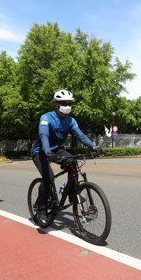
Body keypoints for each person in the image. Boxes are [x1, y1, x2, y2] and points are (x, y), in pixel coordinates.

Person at [30, 89, 100, 223]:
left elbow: (80, 135)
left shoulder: (71, 121)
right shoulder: (46, 118)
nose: (67, 106)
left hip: (57, 150)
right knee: (48, 178)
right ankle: (41, 208)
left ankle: (72, 194)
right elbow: (43, 135)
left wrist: (93, 146)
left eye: (69, 103)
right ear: (57, 104)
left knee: (73, 163)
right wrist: (48, 153)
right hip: (41, 151)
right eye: (64, 103)